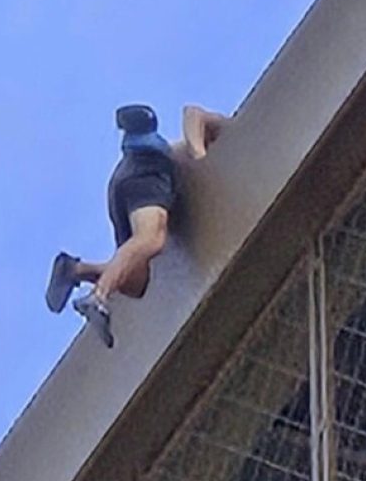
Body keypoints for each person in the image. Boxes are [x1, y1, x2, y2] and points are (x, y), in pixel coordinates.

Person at [45, 103, 229, 348]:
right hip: (146, 173)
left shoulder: (166, 150)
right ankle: (98, 298)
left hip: (125, 180)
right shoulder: (208, 135)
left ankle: (75, 270)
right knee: (151, 239)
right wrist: (199, 154)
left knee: (135, 282)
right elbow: (192, 112)